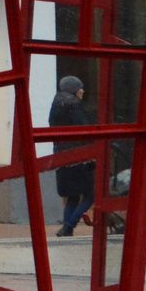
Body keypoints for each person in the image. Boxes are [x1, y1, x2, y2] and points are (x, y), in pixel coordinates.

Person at [49, 76, 97, 237]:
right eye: (80, 88)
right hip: (78, 157)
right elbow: (84, 132)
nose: (82, 90)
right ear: (73, 89)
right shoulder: (75, 106)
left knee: (73, 195)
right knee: (92, 194)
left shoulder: (57, 105)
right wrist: (91, 154)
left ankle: (66, 230)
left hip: (62, 156)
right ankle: (69, 225)